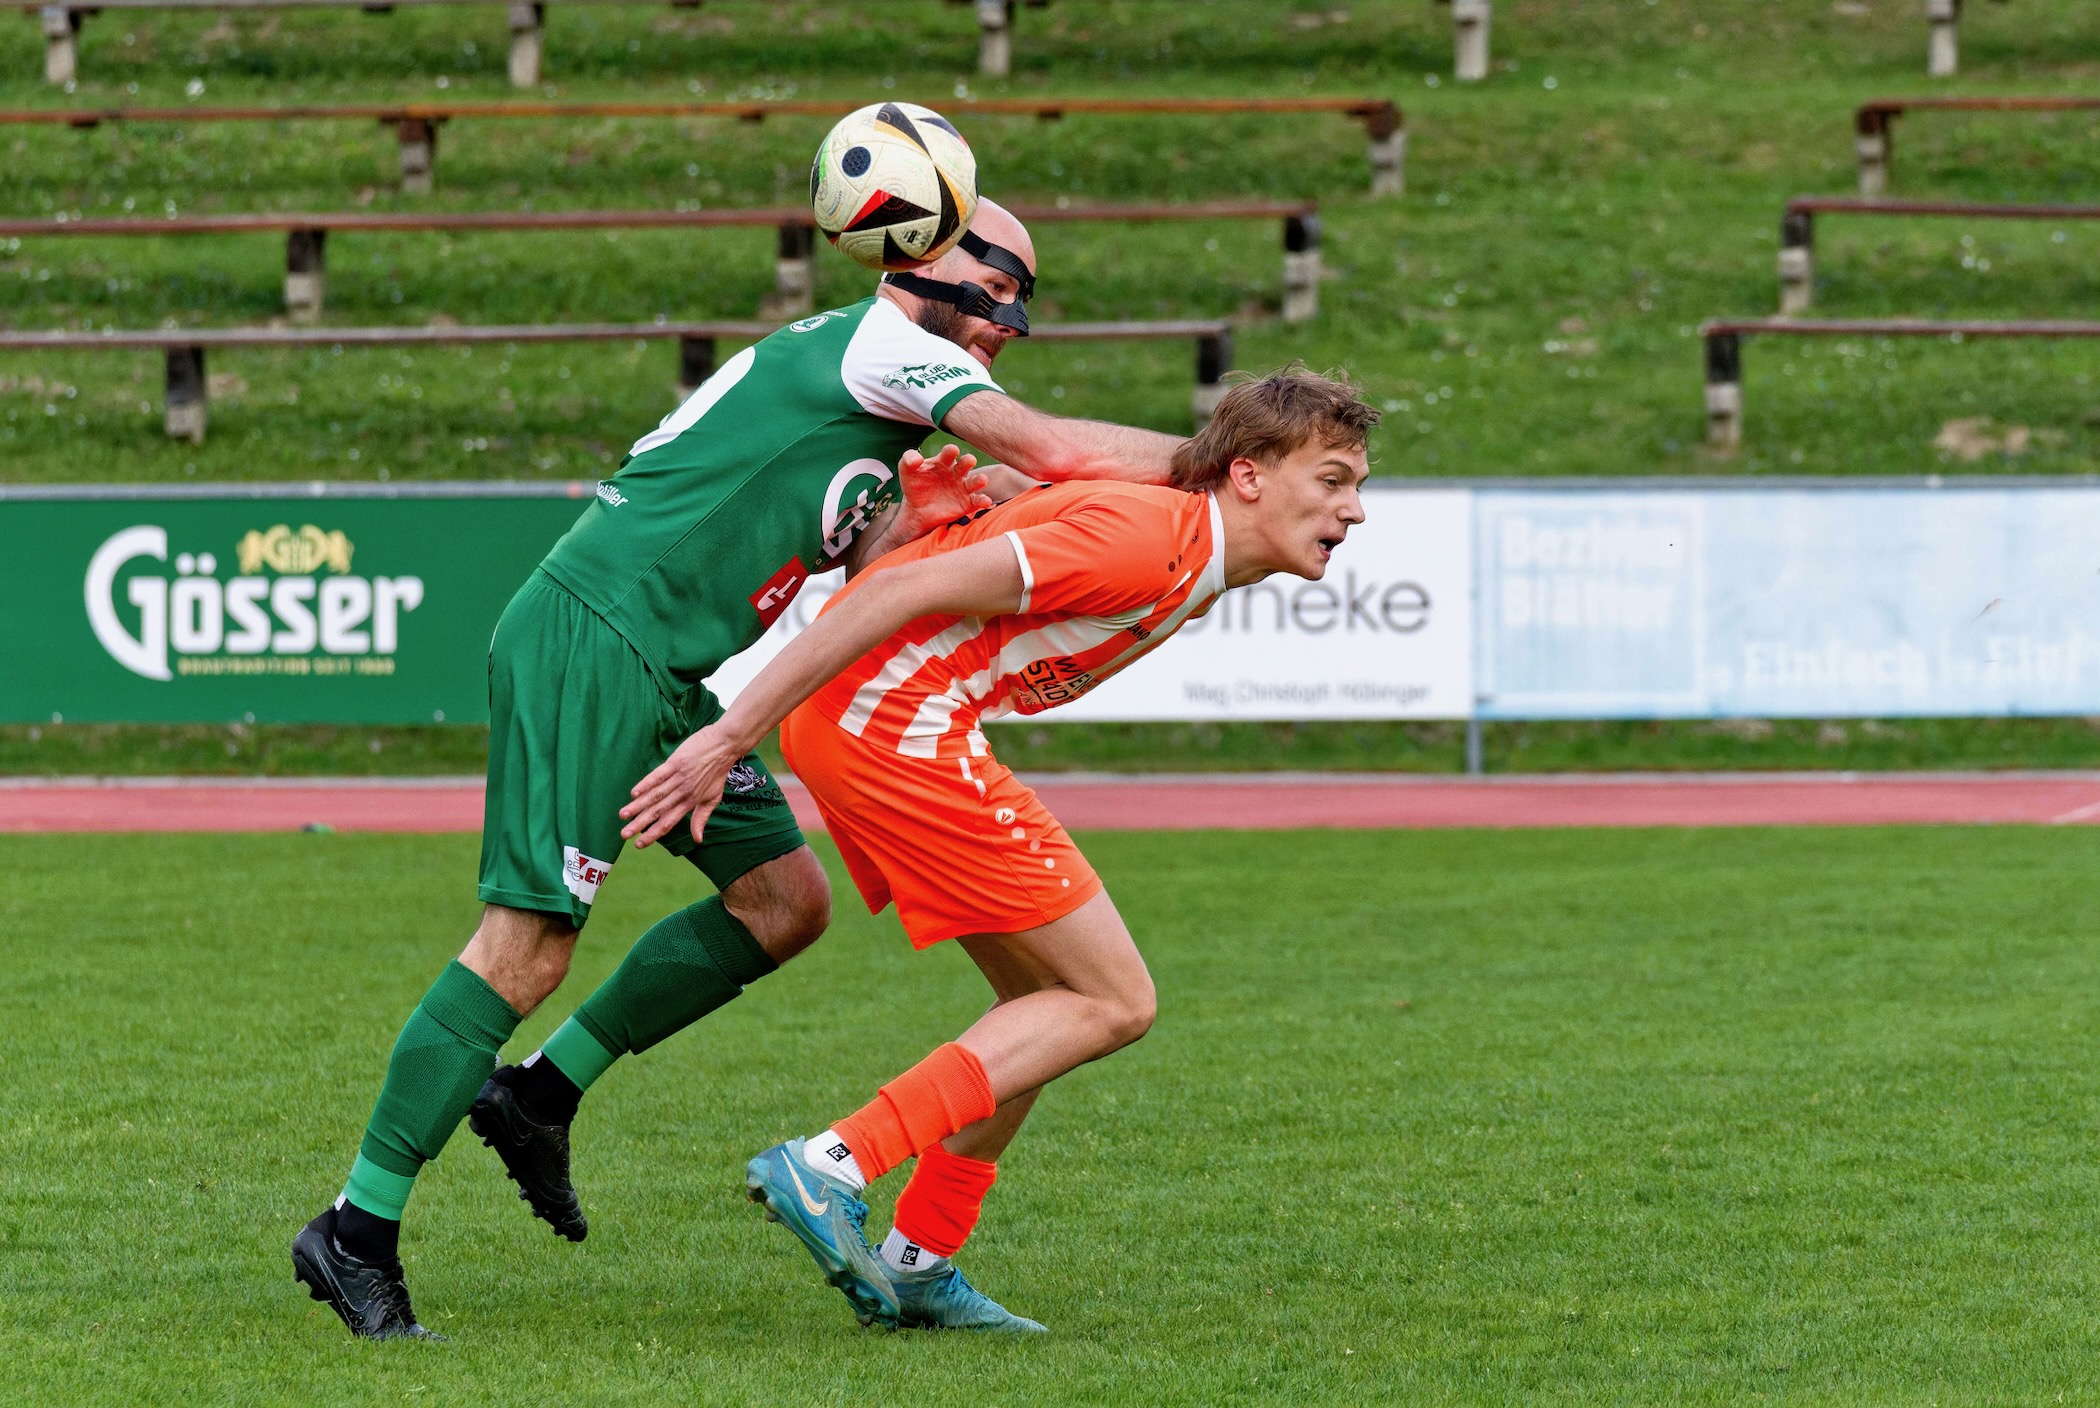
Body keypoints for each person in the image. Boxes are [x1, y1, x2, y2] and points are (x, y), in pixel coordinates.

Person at [292, 200, 1187, 1341]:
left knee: (784, 901)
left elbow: (855, 571)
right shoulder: (887, 342)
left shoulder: (876, 400)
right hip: (595, 639)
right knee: (525, 948)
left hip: (659, 670)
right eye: (1004, 288)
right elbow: (1051, 450)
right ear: (935, 263)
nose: (1012, 323)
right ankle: (356, 1230)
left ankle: (537, 1095)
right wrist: (1221, 463)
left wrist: (915, 524)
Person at [617, 368, 1378, 1331]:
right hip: (892, 725)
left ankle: (919, 1261)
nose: (1354, 511)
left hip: (874, 723)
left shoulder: (1185, 545)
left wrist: (965, 505)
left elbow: (1006, 512)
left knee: (1043, 1003)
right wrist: (729, 739)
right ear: (1250, 476)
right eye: (1333, 480)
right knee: (1115, 1000)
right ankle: (831, 1164)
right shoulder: (1153, 540)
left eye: (1358, 486)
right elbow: (905, 591)